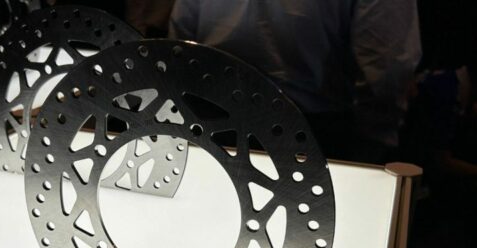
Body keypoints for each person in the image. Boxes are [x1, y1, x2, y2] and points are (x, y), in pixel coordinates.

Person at [168, 0, 421, 163]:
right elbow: (386, 68)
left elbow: (180, 39)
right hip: (318, 137)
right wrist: (374, 140)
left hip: (211, 121)